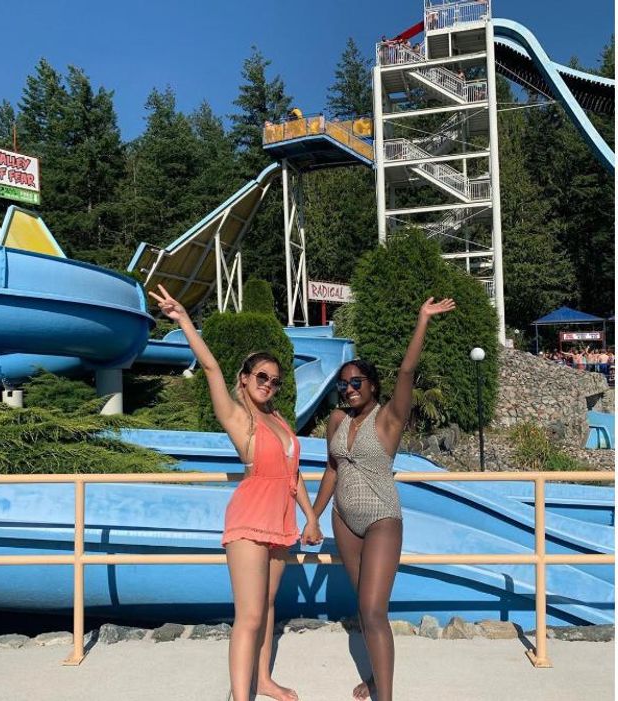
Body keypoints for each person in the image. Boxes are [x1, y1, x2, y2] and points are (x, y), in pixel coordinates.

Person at [148, 285, 321, 701]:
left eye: (275, 381)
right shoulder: (238, 418)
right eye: (261, 377)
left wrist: (311, 517)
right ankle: (240, 696)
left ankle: (262, 680)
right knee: (249, 615)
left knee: (269, 607)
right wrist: (185, 320)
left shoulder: (279, 419)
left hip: (282, 521)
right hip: (248, 519)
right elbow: (209, 368)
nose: (269, 385)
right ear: (244, 379)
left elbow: (292, 474)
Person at [312, 296, 455, 701]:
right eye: (343, 383)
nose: (349, 389)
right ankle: (375, 677)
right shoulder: (338, 420)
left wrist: (422, 319)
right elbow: (332, 468)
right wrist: (314, 518)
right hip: (343, 518)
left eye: (357, 382)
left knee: (374, 611)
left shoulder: (389, 418)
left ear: (372, 386)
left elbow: (407, 370)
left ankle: (385, 698)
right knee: (363, 607)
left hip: (381, 519)